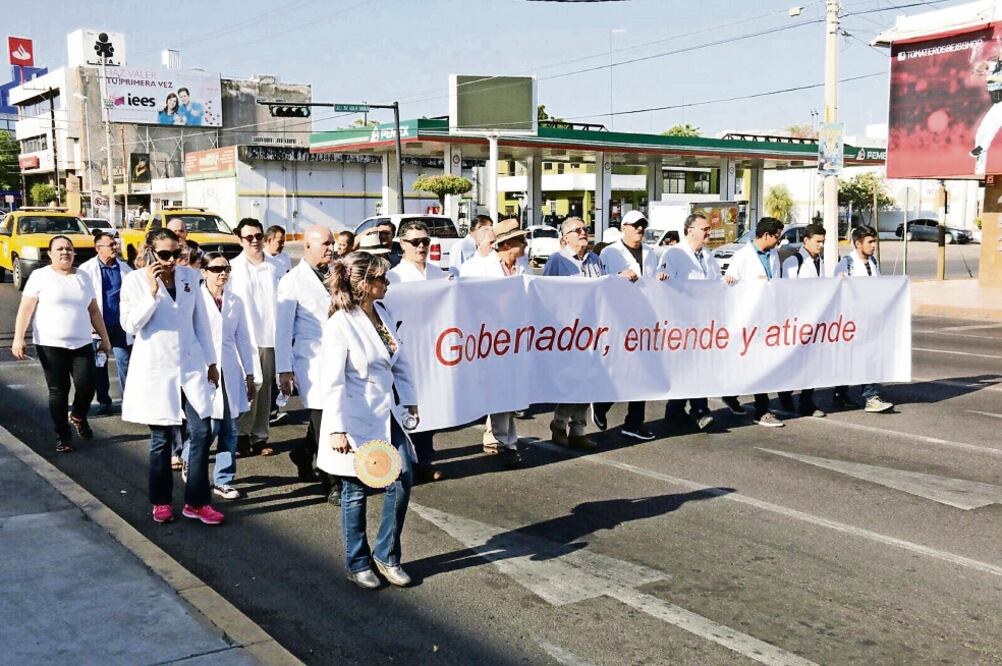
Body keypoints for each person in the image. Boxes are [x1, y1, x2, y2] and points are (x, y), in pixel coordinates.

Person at [318, 251, 419, 589]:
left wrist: (411, 399)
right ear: (364, 284)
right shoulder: (340, 323)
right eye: (381, 278)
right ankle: (358, 561)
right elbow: (332, 380)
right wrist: (336, 428)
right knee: (356, 490)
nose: (387, 283)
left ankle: (387, 555)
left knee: (403, 479)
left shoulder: (384, 313)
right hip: (355, 417)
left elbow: (398, 360)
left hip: (387, 414)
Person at [119, 228, 223, 525]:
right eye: (164, 254)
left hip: (190, 365)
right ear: (150, 251)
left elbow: (200, 321)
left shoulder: (190, 277)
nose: (171, 260)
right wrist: (151, 293)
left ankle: (197, 502)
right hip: (156, 368)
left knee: (202, 431)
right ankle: (161, 501)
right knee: (161, 439)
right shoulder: (135, 281)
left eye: (176, 253)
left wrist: (211, 361)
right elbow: (130, 325)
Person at [11, 236, 112, 452]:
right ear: (50, 253)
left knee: (87, 386)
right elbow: (26, 308)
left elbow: (93, 310)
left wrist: (105, 339)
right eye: (59, 249)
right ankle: (63, 436)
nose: (65, 252)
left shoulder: (83, 277)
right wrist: (19, 338)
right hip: (50, 344)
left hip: (82, 342)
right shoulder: (40, 276)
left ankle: (77, 415)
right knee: (58, 390)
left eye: (69, 249)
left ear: (74, 253)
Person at [185, 252, 257, 501]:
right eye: (216, 269)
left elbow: (243, 339)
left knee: (230, 427)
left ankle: (223, 480)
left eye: (226, 268)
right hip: (202, 368)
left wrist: (249, 374)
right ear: (203, 272)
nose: (222, 273)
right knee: (210, 426)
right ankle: (188, 457)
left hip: (230, 370)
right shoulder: (195, 299)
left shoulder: (235, 300)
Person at [276, 225, 339, 502]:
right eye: (325, 243)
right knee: (325, 419)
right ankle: (332, 482)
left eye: (332, 243)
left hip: (340, 357)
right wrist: (284, 368)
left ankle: (302, 453)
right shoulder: (292, 281)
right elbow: (282, 330)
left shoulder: (337, 274)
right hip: (311, 360)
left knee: (330, 416)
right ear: (308, 246)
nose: (331, 248)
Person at [459, 219, 529, 467]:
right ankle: (505, 442)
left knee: (512, 389)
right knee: (500, 389)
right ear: (508, 244)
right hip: (490, 339)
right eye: (521, 239)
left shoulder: (523, 266)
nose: (525, 243)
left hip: (517, 337)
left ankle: (506, 440)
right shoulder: (477, 268)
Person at [594, 210, 663, 442]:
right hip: (619, 320)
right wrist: (618, 276)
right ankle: (602, 403)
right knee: (622, 367)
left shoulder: (652, 254)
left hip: (645, 321)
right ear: (624, 227)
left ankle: (634, 422)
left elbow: (653, 284)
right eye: (635, 225)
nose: (639, 229)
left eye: (642, 225)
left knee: (643, 371)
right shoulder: (610, 252)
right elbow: (600, 282)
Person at [388, 220, 448, 481]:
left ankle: (424, 459)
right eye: (415, 242)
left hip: (435, 354)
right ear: (402, 244)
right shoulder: (393, 278)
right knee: (404, 409)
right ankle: (403, 460)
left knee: (430, 407)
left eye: (426, 241)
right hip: (405, 354)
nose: (421, 246)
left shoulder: (440, 274)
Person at [542, 217, 604, 450]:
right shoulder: (557, 260)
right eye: (576, 230)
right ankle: (559, 423)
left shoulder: (595, 260)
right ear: (564, 237)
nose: (582, 233)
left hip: (594, 330)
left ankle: (578, 429)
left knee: (588, 381)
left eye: (584, 229)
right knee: (572, 380)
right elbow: (546, 293)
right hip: (568, 331)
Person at [656, 213, 722, 431]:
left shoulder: (708, 257)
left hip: (705, 323)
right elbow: (663, 283)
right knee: (689, 368)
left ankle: (675, 409)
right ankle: (700, 410)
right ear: (690, 230)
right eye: (705, 229)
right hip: (682, 323)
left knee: (697, 367)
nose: (708, 233)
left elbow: (716, 284)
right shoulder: (674, 254)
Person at [722, 216, 786, 428]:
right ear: (766, 235)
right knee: (755, 364)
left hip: (768, 319)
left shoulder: (774, 254)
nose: (779, 241)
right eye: (777, 236)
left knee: (759, 364)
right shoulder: (742, 257)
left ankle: (731, 394)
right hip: (748, 320)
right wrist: (751, 284)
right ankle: (762, 410)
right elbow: (730, 284)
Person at [229, 218, 283, 457]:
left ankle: (260, 436)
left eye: (258, 236)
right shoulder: (233, 268)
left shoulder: (276, 266)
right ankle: (240, 436)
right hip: (244, 337)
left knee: (266, 388)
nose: (254, 241)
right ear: (240, 240)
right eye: (248, 237)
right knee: (248, 387)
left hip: (270, 336)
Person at [833, 225, 895, 414]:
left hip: (870, 321)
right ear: (858, 243)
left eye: (874, 241)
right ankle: (870, 396)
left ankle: (841, 394)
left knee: (859, 360)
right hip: (852, 323)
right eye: (870, 242)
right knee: (863, 359)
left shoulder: (873, 262)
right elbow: (836, 293)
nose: (873, 245)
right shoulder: (846, 264)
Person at [79, 230, 133, 416]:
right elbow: (82, 299)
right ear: (98, 248)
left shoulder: (125, 269)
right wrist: (88, 320)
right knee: (99, 364)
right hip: (97, 325)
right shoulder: (86, 270)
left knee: (125, 362)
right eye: (110, 245)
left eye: (115, 244)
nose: (115, 247)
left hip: (121, 325)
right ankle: (104, 400)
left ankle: (129, 402)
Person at [778, 222, 827, 418]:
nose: (821, 246)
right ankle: (785, 392)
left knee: (812, 363)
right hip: (797, 321)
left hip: (815, 321)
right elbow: (786, 291)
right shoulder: (794, 261)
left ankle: (807, 401)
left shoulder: (820, 261)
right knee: (794, 362)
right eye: (817, 242)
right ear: (806, 240)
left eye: (823, 242)